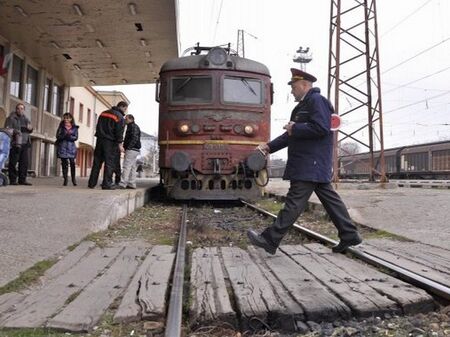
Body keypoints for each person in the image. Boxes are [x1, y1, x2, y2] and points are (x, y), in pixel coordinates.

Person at [247, 68, 362, 254]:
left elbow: (321, 128)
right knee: (331, 201)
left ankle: (270, 239)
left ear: (303, 85)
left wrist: (296, 128)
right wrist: (268, 147)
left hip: (310, 164)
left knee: (293, 203)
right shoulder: (302, 107)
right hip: (311, 165)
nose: (291, 90)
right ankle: (350, 235)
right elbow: (290, 135)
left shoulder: (317, 101)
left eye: (293, 86)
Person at [88, 101, 127, 190]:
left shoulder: (103, 113)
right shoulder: (119, 117)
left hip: (99, 140)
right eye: (125, 109)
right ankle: (107, 184)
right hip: (110, 142)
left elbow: (97, 126)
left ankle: (91, 183)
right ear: (122, 107)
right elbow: (119, 132)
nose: (125, 111)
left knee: (97, 162)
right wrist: (120, 144)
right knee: (109, 163)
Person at [4, 103, 33, 185]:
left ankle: (22, 180)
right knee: (13, 162)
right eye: (18, 108)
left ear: (24, 110)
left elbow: (30, 129)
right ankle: (13, 180)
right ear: (16, 109)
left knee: (24, 163)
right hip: (15, 143)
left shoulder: (26, 119)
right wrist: (17, 131)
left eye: (22, 108)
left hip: (25, 143)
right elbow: (7, 130)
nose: (20, 110)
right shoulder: (10, 118)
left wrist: (30, 129)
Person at [119, 114, 141, 189]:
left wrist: (128, 147)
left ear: (131, 119)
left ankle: (123, 183)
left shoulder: (132, 126)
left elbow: (134, 137)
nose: (125, 120)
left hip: (131, 149)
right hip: (135, 150)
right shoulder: (134, 126)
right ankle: (132, 183)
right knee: (132, 167)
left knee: (126, 166)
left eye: (126, 119)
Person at [56, 113, 79, 186]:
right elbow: (58, 136)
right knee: (64, 163)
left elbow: (75, 137)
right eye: (65, 118)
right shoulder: (61, 127)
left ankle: (73, 179)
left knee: (72, 163)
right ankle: (65, 179)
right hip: (62, 146)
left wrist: (69, 136)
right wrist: (64, 135)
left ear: (71, 119)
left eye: (68, 118)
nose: (66, 119)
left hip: (71, 147)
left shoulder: (75, 128)